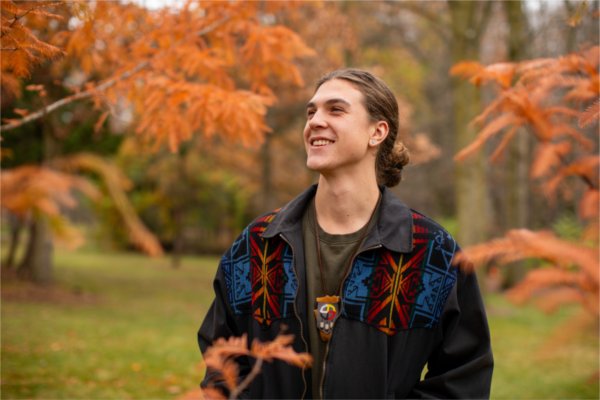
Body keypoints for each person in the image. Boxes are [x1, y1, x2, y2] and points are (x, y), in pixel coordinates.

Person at [198, 68, 494, 399]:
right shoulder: (259, 244)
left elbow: (464, 376)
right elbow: (220, 357)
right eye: (311, 112)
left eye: (335, 109)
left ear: (377, 132)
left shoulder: (431, 252)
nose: (315, 121)